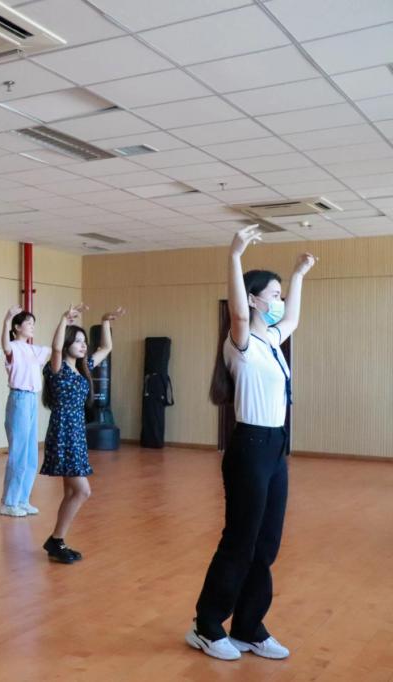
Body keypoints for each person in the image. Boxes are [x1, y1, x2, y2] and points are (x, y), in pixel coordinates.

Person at [186, 225, 315, 661]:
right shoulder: (239, 342)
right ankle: (206, 625)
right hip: (250, 447)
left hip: (276, 447)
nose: (279, 301)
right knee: (240, 540)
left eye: (281, 294)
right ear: (254, 298)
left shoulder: (272, 339)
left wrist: (298, 275)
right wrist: (235, 255)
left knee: (267, 543)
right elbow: (238, 316)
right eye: (274, 294)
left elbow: (292, 320)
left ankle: (247, 626)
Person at [40, 303, 124, 564]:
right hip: (63, 431)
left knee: (71, 492)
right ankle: (56, 539)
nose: (83, 345)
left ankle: (58, 541)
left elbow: (106, 348)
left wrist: (105, 321)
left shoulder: (83, 366)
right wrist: (63, 319)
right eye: (77, 341)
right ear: (67, 344)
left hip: (76, 432)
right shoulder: (56, 368)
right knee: (82, 491)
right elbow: (55, 347)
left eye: (84, 341)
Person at [0, 305, 50, 517]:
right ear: (17, 327)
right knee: (18, 453)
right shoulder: (12, 346)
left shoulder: (33, 350)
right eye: (28, 323)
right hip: (19, 399)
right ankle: (8, 503)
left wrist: (67, 322)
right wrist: (7, 319)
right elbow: (4, 345)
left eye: (33, 323)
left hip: (31, 400)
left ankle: (22, 499)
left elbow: (55, 349)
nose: (32, 326)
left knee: (30, 455)